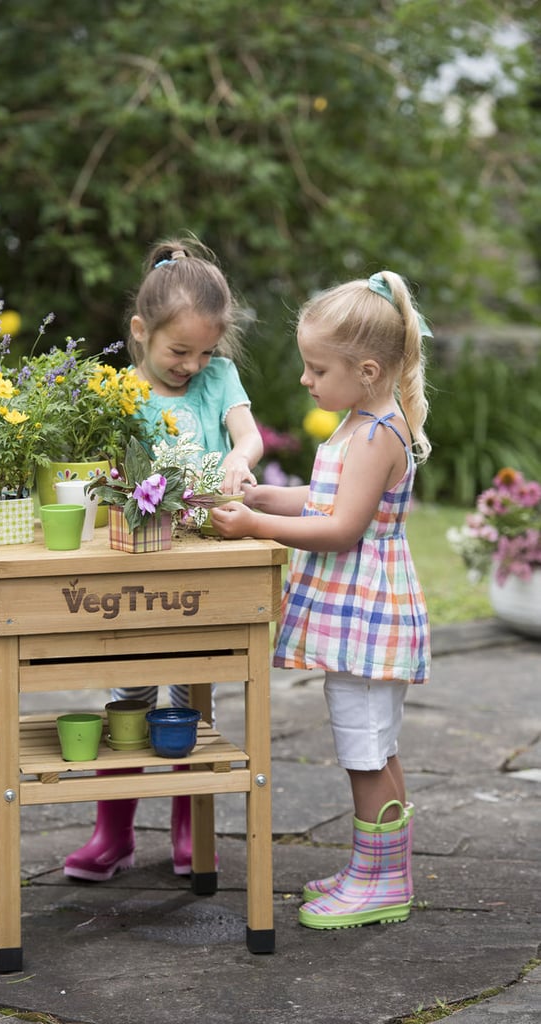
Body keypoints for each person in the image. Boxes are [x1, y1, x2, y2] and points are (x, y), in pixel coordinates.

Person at [210, 270, 432, 930]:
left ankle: (384, 881)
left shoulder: (372, 434)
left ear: (366, 370)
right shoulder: (365, 421)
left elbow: (340, 528)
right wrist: (263, 498)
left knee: (364, 751)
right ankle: (374, 868)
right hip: (365, 616)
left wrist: (256, 528)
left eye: (316, 369)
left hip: (366, 620)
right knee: (374, 747)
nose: (306, 381)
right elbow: (325, 500)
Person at [63, 237, 263, 882]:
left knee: (191, 695)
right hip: (139, 559)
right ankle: (112, 834)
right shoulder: (121, 392)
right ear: (140, 331)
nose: (193, 364)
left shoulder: (217, 379)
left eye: (206, 351)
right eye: (180, 351)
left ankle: (189, 829)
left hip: (200, 558)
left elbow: (247, 434)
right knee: (130, 690)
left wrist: (240, 457)